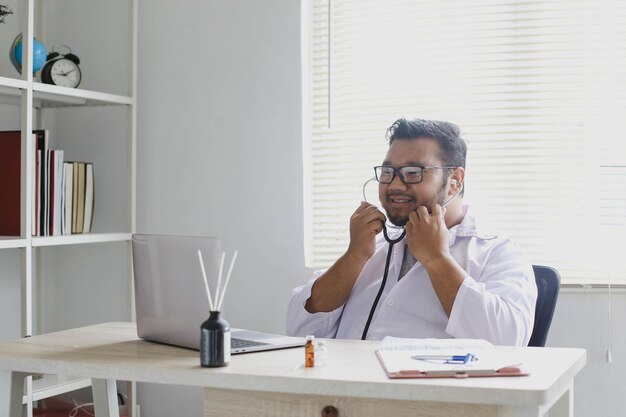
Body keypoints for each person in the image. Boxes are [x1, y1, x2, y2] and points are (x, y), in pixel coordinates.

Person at [287, 118, 537, 346]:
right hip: (346, 393)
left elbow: (508, 342)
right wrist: (355, 254)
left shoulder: (498, 252)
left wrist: (437, 260)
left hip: (434, 395)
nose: (395, 185)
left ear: (455, 181)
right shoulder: (370, 249)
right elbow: (299, 330)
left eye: (413, 173)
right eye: (388, 172)